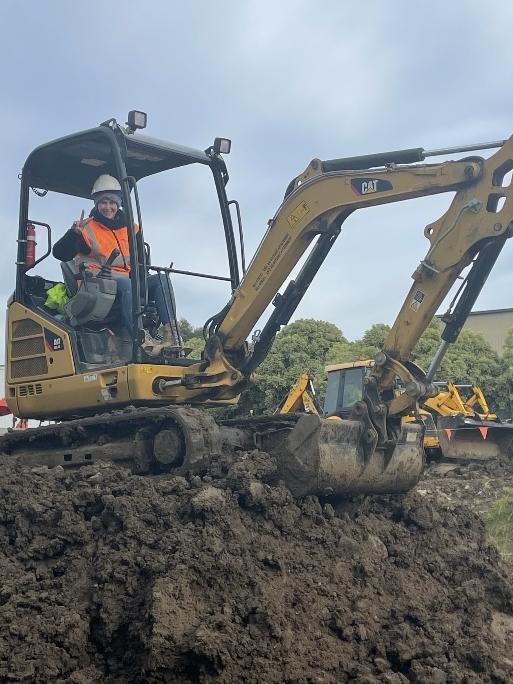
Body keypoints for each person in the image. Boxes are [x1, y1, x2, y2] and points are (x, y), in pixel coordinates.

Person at [52, 174, 178, 356]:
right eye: (103, 202)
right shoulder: (86, 228)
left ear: (118, 203)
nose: (108, 207)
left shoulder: (132, 228)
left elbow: (140, 262)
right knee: (127, 284)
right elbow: (60, 254)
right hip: (96, 284)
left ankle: (171, 335)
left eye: (112, 202)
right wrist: (72, 234)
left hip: (126, 282)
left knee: (161, 279)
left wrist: (142, 278)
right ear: (96, 203)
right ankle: (140, 336)